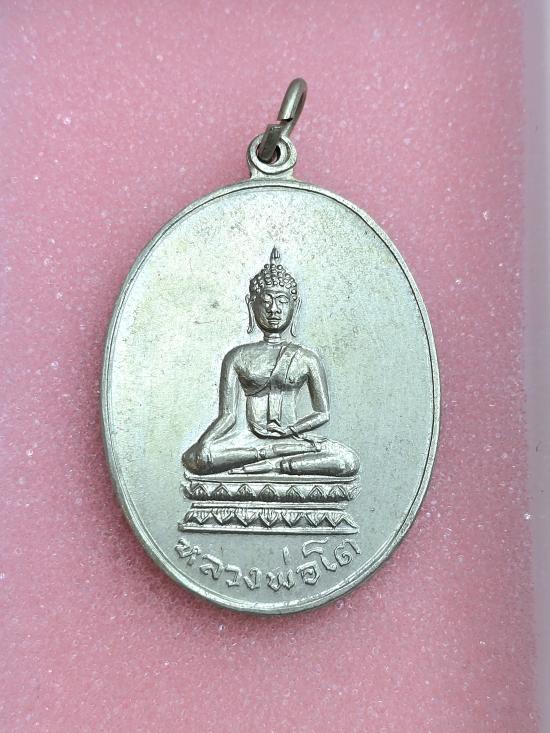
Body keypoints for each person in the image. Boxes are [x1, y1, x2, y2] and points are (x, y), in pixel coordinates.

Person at [182, 247, 359, 477]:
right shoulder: (237, 356)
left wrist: (291, 430)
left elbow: (322, 413)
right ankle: (268, 458)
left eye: (282, 301)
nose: (273, 309)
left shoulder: (306, 358)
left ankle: (275, 465)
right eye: (265, 301)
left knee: (347, 461)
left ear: (295, 306)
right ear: (251, 305)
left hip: (293, 441)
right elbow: (228, 416)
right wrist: (205, 443)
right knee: (197, 458)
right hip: (249, 442)